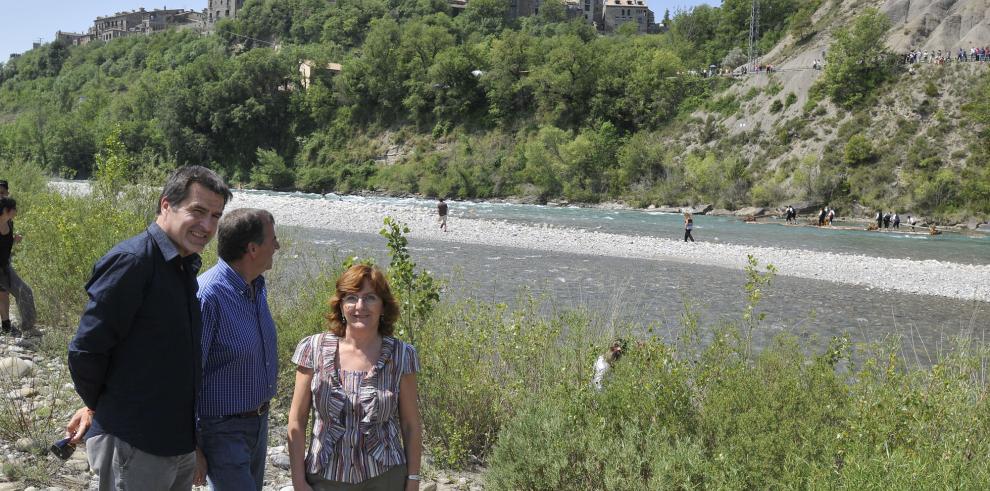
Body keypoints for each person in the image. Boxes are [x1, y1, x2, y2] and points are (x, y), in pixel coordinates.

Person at [65, 166, 232, 491]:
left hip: (176, 443)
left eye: (215, 216)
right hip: (133, 442)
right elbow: (86, 350)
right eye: (197, 211)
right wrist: (105, 406)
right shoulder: (134, 262)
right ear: (166, 204)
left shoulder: (182, 264)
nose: (208, 226)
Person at [288, 264, 423, 491]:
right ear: (340, 305)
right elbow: (296, 421)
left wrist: (413, 480)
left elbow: (410, 424)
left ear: (383, 306)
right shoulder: (313, 348)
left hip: (385, 478)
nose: (360, 306)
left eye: (370, 297)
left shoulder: (402, 355)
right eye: (351, 297)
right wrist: (298, 481)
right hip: (324, 478)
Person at [197, 208, 280, 491]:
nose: (278, 246)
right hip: (221, 430)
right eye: (273, 240)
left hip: (258, 423)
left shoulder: (256, 285)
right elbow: (186, 375)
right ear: (253, 249)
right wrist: (191, 445)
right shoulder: (208, 296)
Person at [0, 197, 35, 337]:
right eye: (14, 208)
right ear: (5, 210)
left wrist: (14, 240)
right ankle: (10, 327)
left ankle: (28, 327)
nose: (16, 211)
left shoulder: (9, 223)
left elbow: (4, 246)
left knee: (25, 291)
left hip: (4, 267)